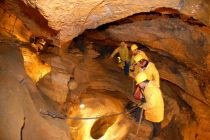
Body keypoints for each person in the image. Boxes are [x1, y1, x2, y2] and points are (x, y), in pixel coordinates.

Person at [135, 72, 164, 137]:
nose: (138, 85)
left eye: (139, 84)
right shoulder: (148, 85)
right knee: (155, 123)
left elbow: (151, 104)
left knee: (156, 125)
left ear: (142, 82)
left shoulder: (151, 90)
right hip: (154, 108)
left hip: (156, 111)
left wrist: (142, 105)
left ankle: (156, 136)